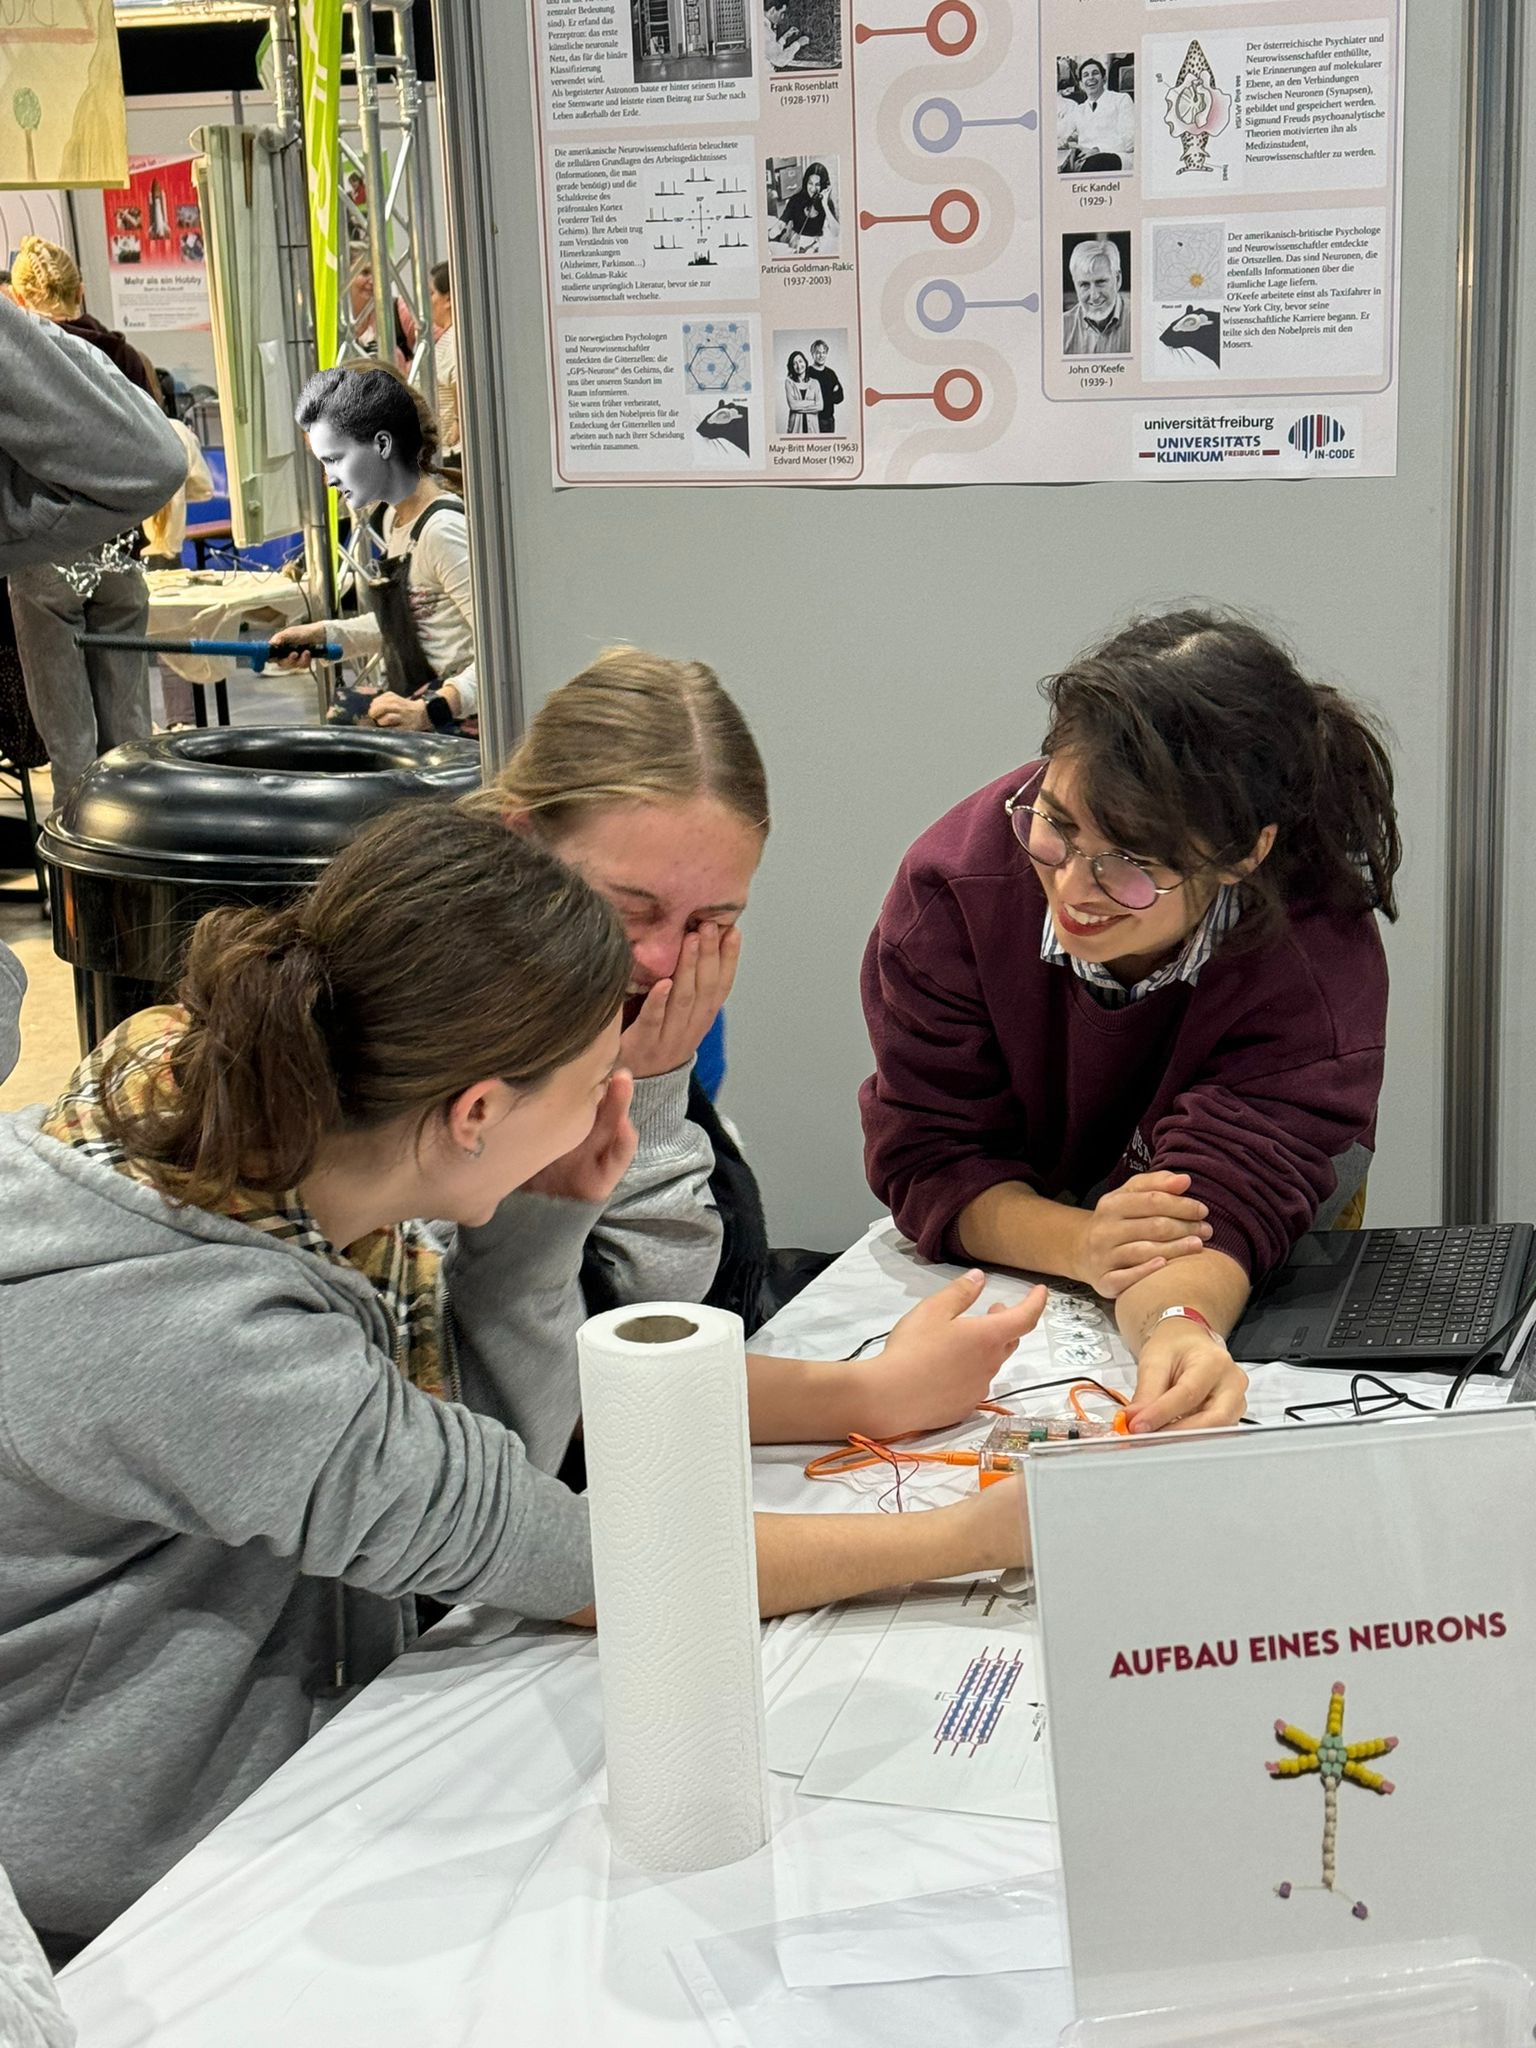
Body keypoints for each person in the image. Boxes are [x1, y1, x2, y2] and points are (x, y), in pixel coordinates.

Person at [0, 799, 1038, 1952]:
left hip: (269, 1787)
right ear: (479, 1110)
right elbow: (589, 1559)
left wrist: (541, 1220)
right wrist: (974, 1535)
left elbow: (492, 1466)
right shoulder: (205, 1333)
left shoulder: (249, 1125)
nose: (612, 1105)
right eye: (597, 1079)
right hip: (138, 1904)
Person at [861, 609, 1403, 1434]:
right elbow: (935, 1153)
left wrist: (1180, 1329)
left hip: (1221, 1261)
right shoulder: (955, 891)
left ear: (1243, 853)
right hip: (1024, 1237)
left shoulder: (1312, 952)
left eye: (1133, 865)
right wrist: (1081, 1242)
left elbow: (1222, 1206)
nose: (1075, 888)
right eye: (1056, 825)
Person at [482, 650, 775, 1388]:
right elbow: (584, 1364)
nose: (663, 959)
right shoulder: (446, 1026)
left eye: (710, 921)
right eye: (629, 910)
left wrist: (657, 1087)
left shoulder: (670, 1006)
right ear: (523, 844)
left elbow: (677, 1306)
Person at [5, 237, 164, 809]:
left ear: (20, 299)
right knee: (131, 732)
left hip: (47, 559)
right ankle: (140, 842)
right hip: (121, 555)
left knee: (70, 741)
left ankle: (83, 858)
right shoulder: (126, 359)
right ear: (82, 290)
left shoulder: (28, 368)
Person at [269, 362, 476, 735]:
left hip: (457, 733)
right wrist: (322, 635)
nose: (329, 479)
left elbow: (501, 652)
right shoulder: (395, 520)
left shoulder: (442, 531)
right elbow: (408, 623)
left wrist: (432, 710)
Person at [0, 293, 184, 576]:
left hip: (52, 553)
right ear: (79, 292)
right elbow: (159, 465)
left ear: (21, 295)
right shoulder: (123, 353)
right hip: (117, 540)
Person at [1057, 57, 1135, 172]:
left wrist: (1098, 150)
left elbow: (1130, 141)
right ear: (1081, 84)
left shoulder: (1121, 100)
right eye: (1086, 75)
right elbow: (1059, 132)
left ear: (1104, 79)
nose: (1090, 78)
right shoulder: (1079, 110)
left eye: (1095, 73)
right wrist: (1061, 142)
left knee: (1094, 164)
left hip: (1116, 156)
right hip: (1087, 159)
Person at [417, 259, 460, 464]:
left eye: (431, 293)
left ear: (449, 299)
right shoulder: (448, 338)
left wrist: (458, 423)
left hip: (452, 454)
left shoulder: (455, 341)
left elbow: (460, 384)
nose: (427, 300)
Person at [1062, 236, 1130, 357]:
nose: (1094, 296)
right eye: (1084, 284)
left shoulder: (1141, 320)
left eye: (1100, 282)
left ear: (1118, 279)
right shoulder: (1061, 328)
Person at [772, 161, 838, 253]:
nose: (813, 189)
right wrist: (773, 231)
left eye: (817, 185)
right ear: (806, 182)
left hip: (815, 245)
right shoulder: (796, 199)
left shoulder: (826, 203)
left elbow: (836, 233)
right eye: (810, 183)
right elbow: (782, 221)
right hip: (797, 243)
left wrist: (825, 205)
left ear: (823, 186)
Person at [808, 337, 843, 434]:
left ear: (826, 354)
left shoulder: (831, 374)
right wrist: (831, 393)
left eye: (823, 352)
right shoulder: (807, 372)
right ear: (812, 354)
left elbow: (840, 397)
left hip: (829, 420)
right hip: (812, 419)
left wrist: (823, 396)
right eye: (818, 352)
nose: (821, 355)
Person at [783, 350, 820, 434]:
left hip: (813, 428)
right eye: (795, 363)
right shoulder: (789, 382)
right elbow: (793, 406)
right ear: (791, 367)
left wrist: (798, 406)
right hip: (795, 427)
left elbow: (820, 406)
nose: (799, 366)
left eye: (800, 361)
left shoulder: (815, 383)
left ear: (805, 362)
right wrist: (812, 402)